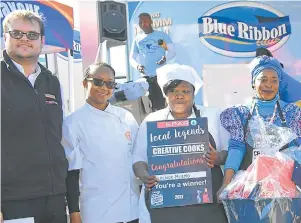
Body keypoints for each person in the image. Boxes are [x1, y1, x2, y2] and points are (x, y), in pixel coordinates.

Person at [132, 64, 229, 223]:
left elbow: (229, 150)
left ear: (193, 93)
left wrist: (217, 158)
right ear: (165, 94)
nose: (179, 96)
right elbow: (138, 157)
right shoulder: (152, 120)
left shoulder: (212, 115)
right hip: (166, 206)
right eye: (173, 91)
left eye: (185, 91)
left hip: (207, 205)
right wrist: (144, 175)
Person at [219, 56, 301, 210]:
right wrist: (226, 184)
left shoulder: (292, 114)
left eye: (274, 80)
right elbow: (236, 149)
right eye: (263, 79)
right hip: (249, 186)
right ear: (253, 82)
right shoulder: (240, 114)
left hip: (284, 186)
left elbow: (298, 152)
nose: (269, 84)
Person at [1, 10, 69, 223]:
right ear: (5, 37)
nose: (25, 39)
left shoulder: (51, 81)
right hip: (13, 200)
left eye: (32, 35)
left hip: (55, 197)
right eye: (17, 33)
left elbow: (58, 136)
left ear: (42, 40)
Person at [62, 62, 140, 223]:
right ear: (85, 83)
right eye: (97, 82)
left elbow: (140, 156)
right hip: (95, 210)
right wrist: (74, 213)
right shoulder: (72, 123)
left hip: (130, 208)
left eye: (110, 83)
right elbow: (71, 173)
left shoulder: (126, 118)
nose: (104, 87)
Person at [129, 12, 176, 112]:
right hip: (146, 77)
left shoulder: (161, 36)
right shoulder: (137, 39)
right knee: (149, 106)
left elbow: (172, 51)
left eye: (145, 21)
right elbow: (132, 58)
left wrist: (165, 59)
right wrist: (138, 66)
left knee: (162, 103)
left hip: (160, 75)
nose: (143, 24)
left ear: (151, 22)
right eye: (140, 22)